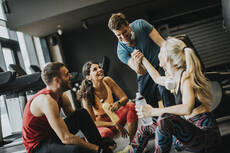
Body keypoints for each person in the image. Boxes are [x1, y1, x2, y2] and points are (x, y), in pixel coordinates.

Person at [129, 37, 221, 153]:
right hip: (188, 134)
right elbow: (157, 78)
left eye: (160, 51)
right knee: (146, 126)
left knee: (164, 120)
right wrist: (143, 59)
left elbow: (187, 108)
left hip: (205, 138)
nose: (158, 54)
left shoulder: (186, 78)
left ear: (166, 57)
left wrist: (154, 111)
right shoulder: (174, 78)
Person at [22, 62, 114, 153]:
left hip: (52, 134)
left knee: (81, 114)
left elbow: (77, 120)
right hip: (37, 146)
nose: (70, 76)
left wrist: (97, 144)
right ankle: (101, 150)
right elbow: (65, 138)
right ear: (56, 81)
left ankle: (101, 146)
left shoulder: (61, 96)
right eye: (66, 75)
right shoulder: (47, 101)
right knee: (75, 150)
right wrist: (96, 149)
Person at [108, 12, 175, 108]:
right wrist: (138, 63)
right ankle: (154, 120)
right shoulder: (121, 51)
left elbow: (162, 44)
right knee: (145, 101)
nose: (123, 37)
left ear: (127, 24)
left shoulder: (141, 25)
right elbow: (141, 72)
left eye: (124, 32)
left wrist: (169, 65)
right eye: (119, 35)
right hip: (145, 73)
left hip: (160, 64)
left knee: (165, 91)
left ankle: (173, 118)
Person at [77, 61, 138, 144]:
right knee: (106, 133)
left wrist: (118, 103)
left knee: (131, 105)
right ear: (88, 77)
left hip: (114, 116)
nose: (100, 70)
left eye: (99, 67)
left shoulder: (107, 80)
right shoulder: (86, 95)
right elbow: (92, 123)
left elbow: (125, 98)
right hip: (101, 125)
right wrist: (114, 123)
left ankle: (133, 144)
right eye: (95, 69)